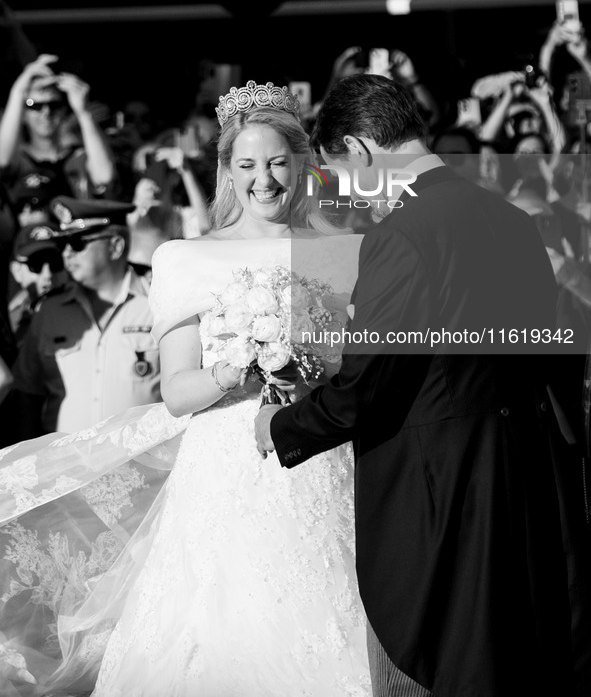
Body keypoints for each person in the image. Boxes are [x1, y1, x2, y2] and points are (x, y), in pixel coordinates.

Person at [0, 81, 370, 697]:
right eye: (248, 165)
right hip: (227, 470)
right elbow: (176, 391)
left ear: (301, 164)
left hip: (323, 459)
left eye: (278, 162)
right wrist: (243, 366)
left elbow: (361, 370)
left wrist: (309, 365)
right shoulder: (185, 258)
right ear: (227, 171)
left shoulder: (350, 252)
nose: (265, 180)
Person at [255, 73, 588, 697]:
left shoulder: (401, 233)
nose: (352, 195)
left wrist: (281, 425)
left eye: (343, 175)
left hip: (443, 495)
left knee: (450, 671)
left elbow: (368, 386)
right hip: (529, 481)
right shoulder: (513, 219)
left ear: (358, 150)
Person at [10, 197, 161, 435]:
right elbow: (28, 394)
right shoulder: (49, 312)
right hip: (66, 467)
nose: (67, 253)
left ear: (115, 246)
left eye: (77, 242)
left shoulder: (157, 303)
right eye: (64, 244)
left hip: (140, 465)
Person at [0, 54, 117, 208]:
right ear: (23, 114)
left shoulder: (77, 157)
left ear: (63, 111)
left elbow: (105, 176)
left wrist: (83, 112)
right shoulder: (19, 160)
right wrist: (18, 91)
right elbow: (2, 160)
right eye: (35, 105)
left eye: (53, 105)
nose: (46, 112)